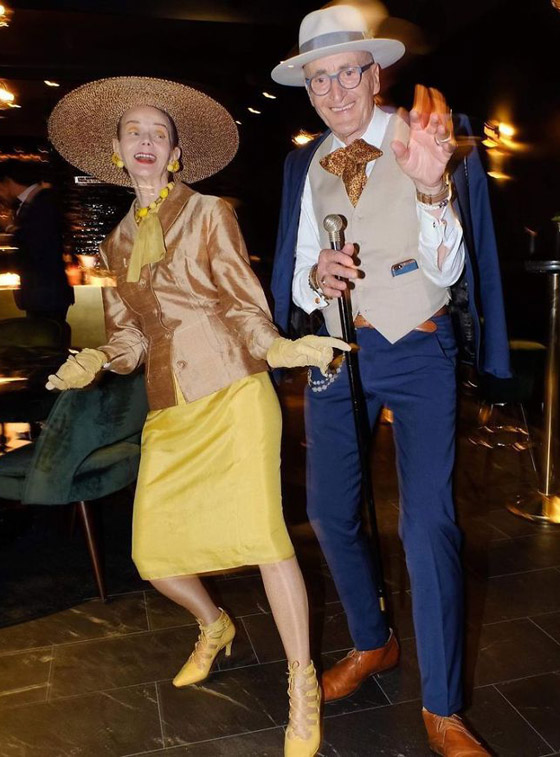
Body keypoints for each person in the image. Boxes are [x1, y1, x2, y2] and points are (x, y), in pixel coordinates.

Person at [47, 76, 350, 757]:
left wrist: (278, 346)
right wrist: (96, 359)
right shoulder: (117, 243)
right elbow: (131, 336)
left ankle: (302, 682)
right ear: (117, 151)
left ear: (175, 152)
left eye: (158, 133)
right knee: (153, 556)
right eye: (134, 132)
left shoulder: (210, 213)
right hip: (170, 406)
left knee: (266, 540)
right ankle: (214, 624)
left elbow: (241, 302)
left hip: (235, 392)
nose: (146, 141)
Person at [271, 6, 510, 756]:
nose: (336, 89)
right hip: (338, 350)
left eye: (348, 72)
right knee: (327, 509)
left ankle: (443, 707)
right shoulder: (305, 165)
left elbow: (448, 268)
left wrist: (433, 188)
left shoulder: (420, 138)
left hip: (416, 346)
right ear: (308, 89)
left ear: (375, 74)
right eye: (320, 79)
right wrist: (316, 277)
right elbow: (300, 274)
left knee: (426, 524)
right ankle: (374, 640)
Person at [0, 159, 74, 323]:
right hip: (43, 293)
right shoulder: (34, 202)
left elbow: (35, 245)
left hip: (46, 293)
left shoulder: (43, 202)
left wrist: (10, 228)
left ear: (8, 182)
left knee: (47, 335)